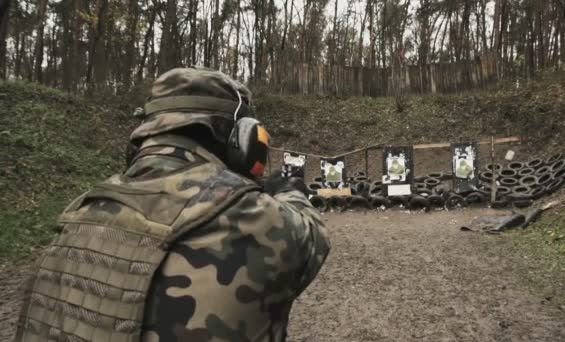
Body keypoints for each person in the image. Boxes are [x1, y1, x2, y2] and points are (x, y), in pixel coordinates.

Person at [14, 68, 330, 342]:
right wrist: (290, 191)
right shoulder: (256, 219)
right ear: (242, 140)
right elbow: (312, 236)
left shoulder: (75, 217)